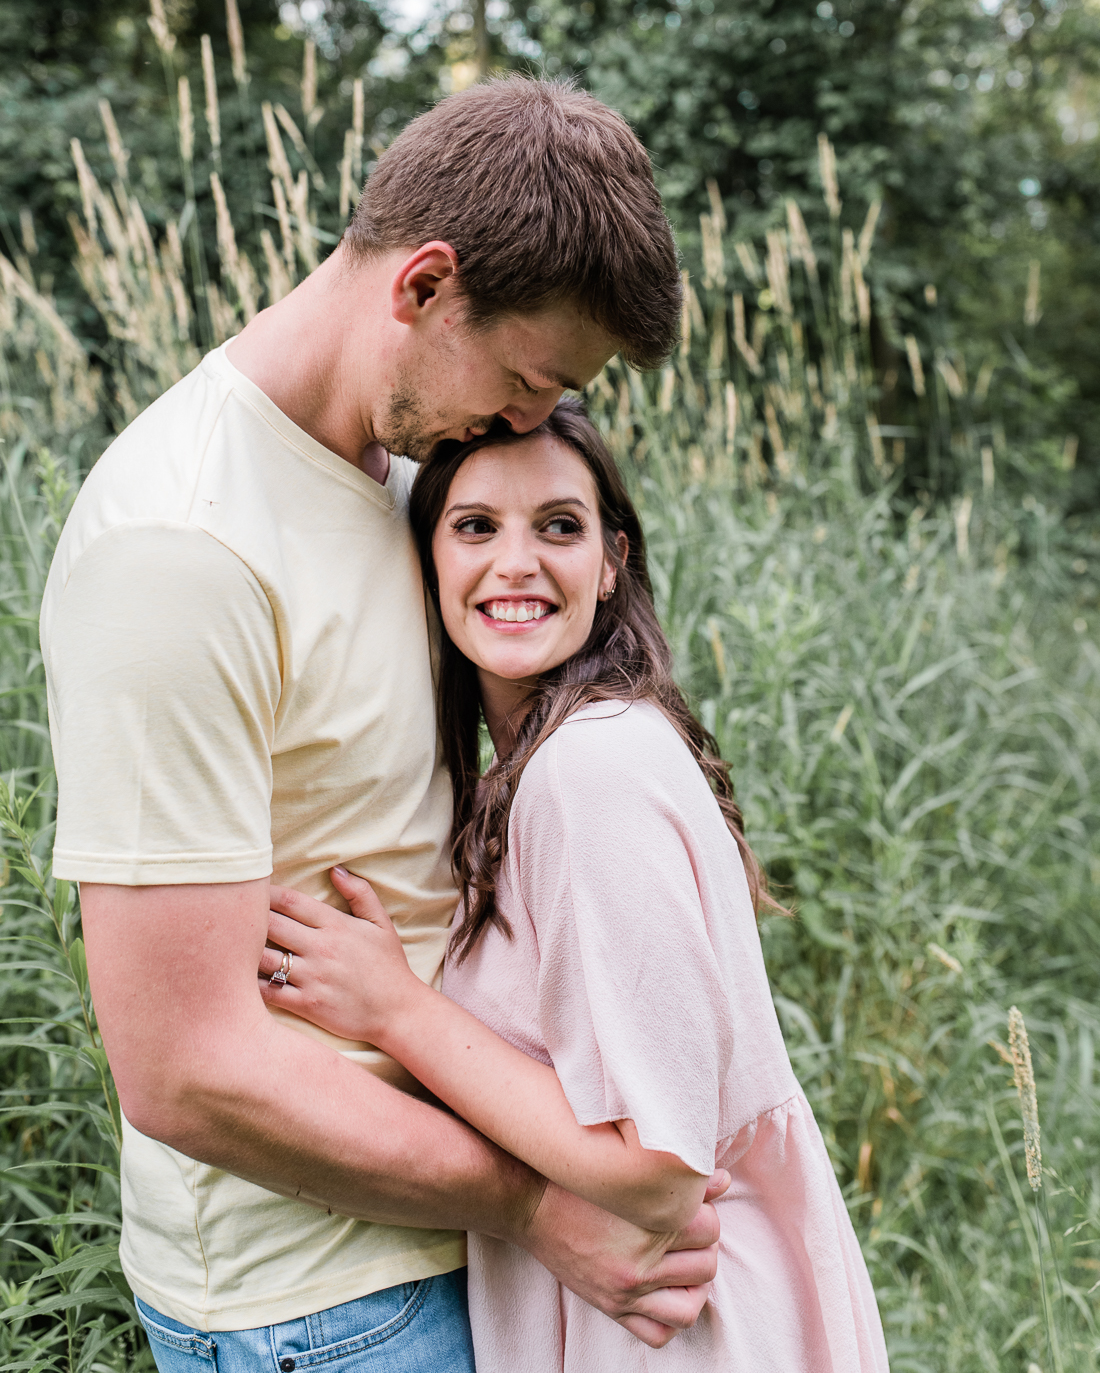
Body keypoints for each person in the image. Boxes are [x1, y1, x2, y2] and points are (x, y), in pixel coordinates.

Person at [40, 78, 727, 1372]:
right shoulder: (180, 547)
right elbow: (185, 1069)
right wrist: (534, 1201)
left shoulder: (406, 478)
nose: (532, 429)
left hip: (444, 1238)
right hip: (329, 1305)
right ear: (422, 287)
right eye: (527, 382)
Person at [259, 399, 892, 1371]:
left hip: (676, 1330)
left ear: (610, 564)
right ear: (427, 564)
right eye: (475, 527)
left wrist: (395, 1011)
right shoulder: (554, 762)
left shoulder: (586, 772)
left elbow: (656, 1176)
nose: (515, 561)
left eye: (558, 525)